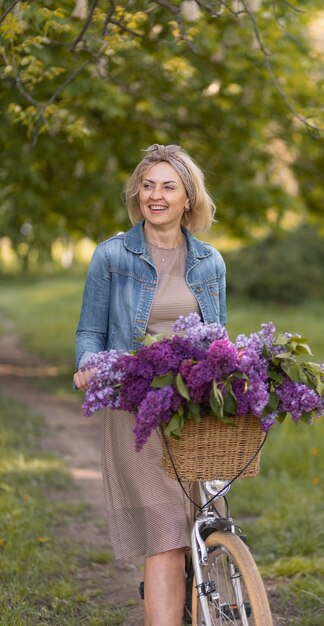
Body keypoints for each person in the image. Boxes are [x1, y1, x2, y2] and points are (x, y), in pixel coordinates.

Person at [73, 144, 226, 626]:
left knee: (198, 525)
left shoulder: (210, 262)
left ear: (188, 199)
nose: (155, 196)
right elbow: (90, 331)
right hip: (134, 403)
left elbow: (217, 338)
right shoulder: (111, 256)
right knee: (166, 533)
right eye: (147, 185)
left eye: (168, 187)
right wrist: (87, 365)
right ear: (137, 193)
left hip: (191, 405)